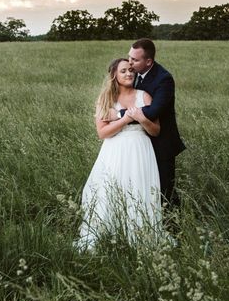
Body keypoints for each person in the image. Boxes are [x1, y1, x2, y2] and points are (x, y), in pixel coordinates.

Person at [76, 58, 162, 251]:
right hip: (114, 150)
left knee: (140, 189)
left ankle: (141, 235)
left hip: (141, 149)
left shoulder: (144, 96)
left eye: (131, 70)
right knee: (112, 189)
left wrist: (141, 118)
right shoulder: (106, 99)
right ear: (114, 75)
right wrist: (126, 119)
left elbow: (155, 130)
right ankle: (111, 234)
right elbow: (102, 133)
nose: (129, 74)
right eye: (123, 71)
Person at [127, 38, 185, 214]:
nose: (130, 63)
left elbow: (153, 111)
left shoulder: (164, 79)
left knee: (164, 189)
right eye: (129, 57)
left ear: (149, 61)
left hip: (162, 142)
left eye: (135, 60)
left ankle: (173, 228)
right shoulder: (132, 73)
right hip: (140, 142)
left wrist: (120, 114)